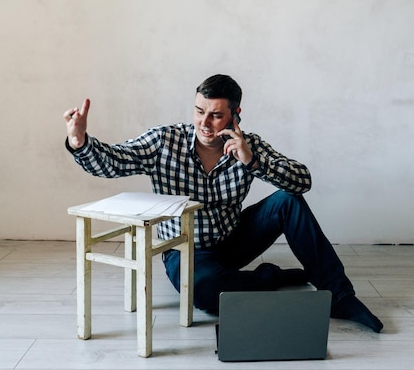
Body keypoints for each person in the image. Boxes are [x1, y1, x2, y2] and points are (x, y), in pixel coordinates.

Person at [64, 74, 383, 333]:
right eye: (199, 111)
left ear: (235, 115)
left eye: (216, 115)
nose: (205, 123)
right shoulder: (165, 141)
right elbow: (113, 162)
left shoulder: (249, 145)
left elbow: (303, 181)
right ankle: (275, 277)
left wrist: (254, 161)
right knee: (205, 293)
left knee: (288, 200)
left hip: (232, 239)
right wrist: (80, 141)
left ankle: (340, 297)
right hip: (186, 249)